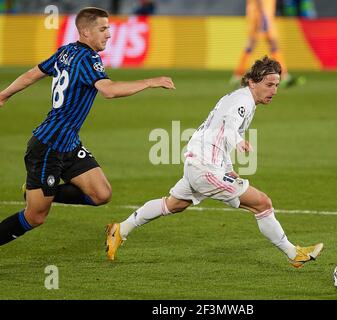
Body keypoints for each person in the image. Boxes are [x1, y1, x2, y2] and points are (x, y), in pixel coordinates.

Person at [106, 56, 323, 268]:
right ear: (252, 82)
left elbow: (216, 134)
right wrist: (239, 141)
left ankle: (120, 229)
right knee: (262, 203)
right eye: (269, 84)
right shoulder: (243, 101)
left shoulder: (239, 98)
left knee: (174, 204)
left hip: (199, 163)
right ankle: (294, 254)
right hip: (205, 168)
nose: (274, 90)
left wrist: (229, 169)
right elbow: (229, 127)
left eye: (276, 85)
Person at [0, 7, 175, 247]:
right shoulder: (87, 58)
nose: (109, 34)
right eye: (103, 29)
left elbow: (34, 73)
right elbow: (109, 90)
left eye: (109, 29)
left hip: (68, 143)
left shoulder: (66, 51)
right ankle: (38, 197)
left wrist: (4, 95)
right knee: (36, 216)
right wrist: (150, 81)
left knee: (101, 194)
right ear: (85, 31)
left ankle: (43, 192)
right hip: (48, 146)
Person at [231, 0, 298, 88]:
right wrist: (263, 16)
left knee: (270, 44)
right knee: (253, 44)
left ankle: (284, 74)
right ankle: (238, 74)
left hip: (264, 16)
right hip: (259, 16)